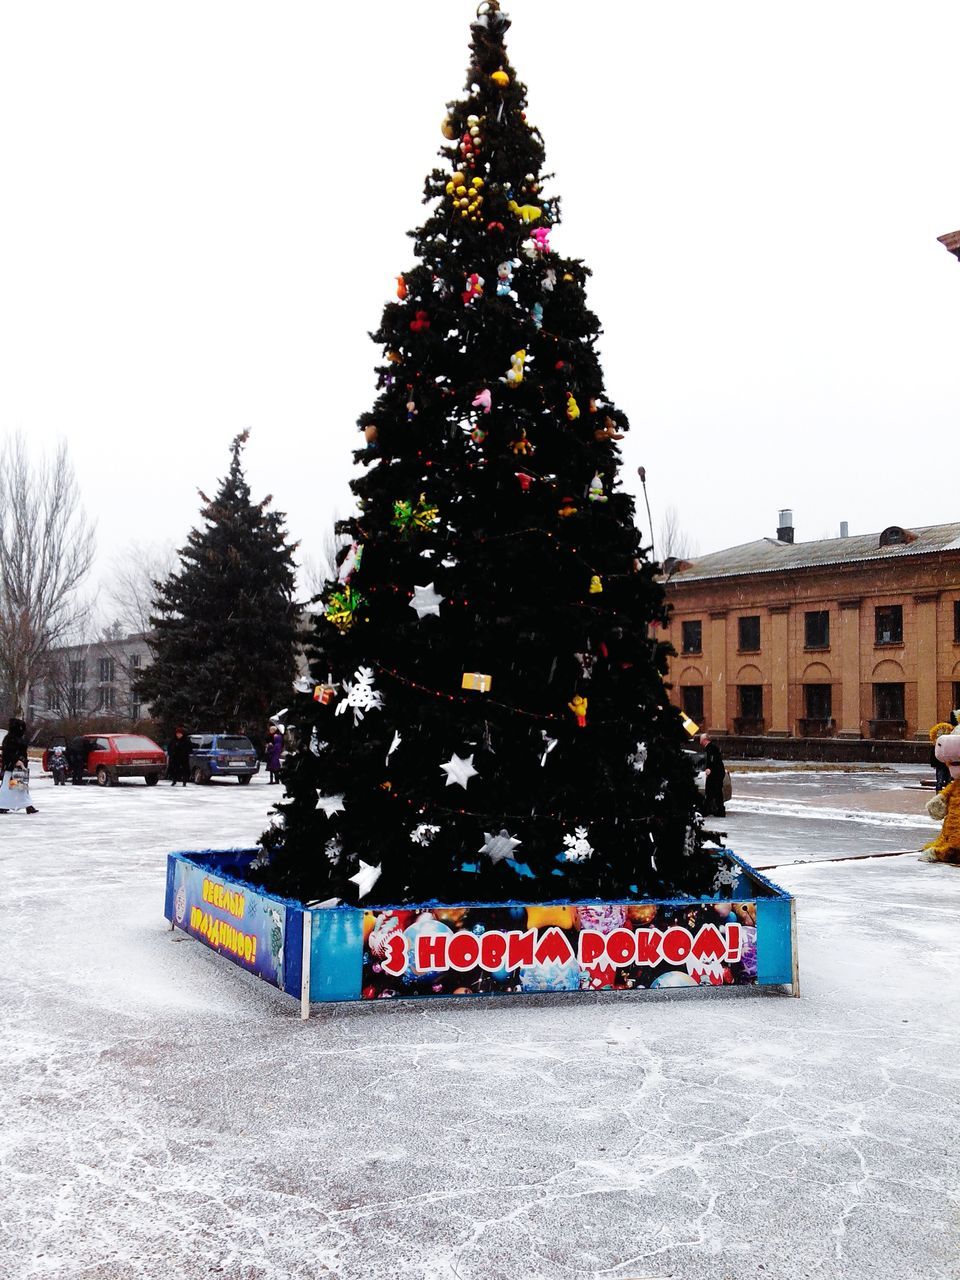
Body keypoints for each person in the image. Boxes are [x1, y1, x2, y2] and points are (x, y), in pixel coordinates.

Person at [0, 717, 38, 814]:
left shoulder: (13, 738)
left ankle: (25, 805)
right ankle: (26, 806)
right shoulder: (11, 739)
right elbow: (9, 752)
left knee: (19, 788)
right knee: (15, 788)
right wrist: (16, 760)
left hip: (16, 767)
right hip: (13, 767)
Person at [700, 733, 726, 818]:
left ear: (704, 740)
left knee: (713, 792)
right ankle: (716, 810)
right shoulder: (711, 748)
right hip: (717, 773)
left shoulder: (710, 748)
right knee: (714, 792)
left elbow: (712, 760)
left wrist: (709, 768)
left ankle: (709, 811)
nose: (700, 741)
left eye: (700, 739)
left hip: (715, 774)